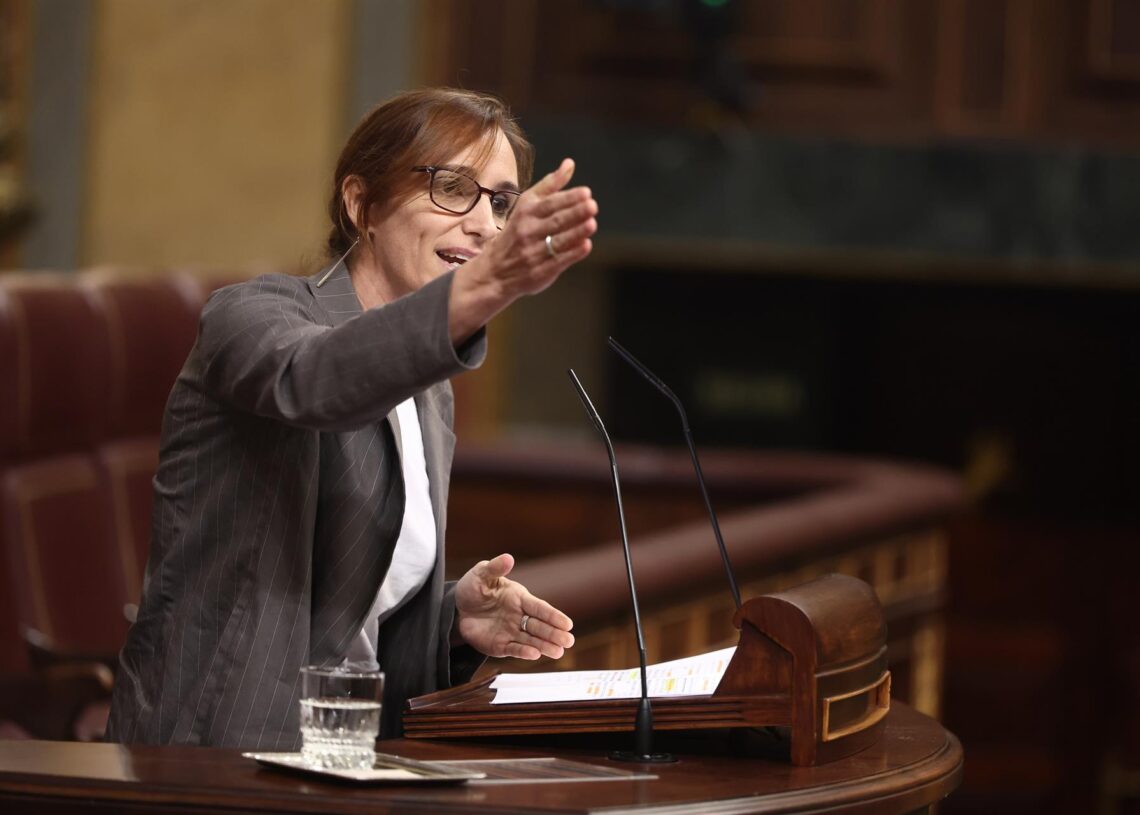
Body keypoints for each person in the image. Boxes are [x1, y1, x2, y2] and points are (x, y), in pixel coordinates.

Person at [105, 87, 598, 748]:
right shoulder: (249, 316)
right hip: (213, 747)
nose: (484, 224)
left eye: (501, 202)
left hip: (345, 751)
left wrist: (452, 618)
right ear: (361, 203)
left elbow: (350, 611)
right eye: (453, 188)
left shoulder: (430, 390)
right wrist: (488, 286)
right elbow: (316, 382)